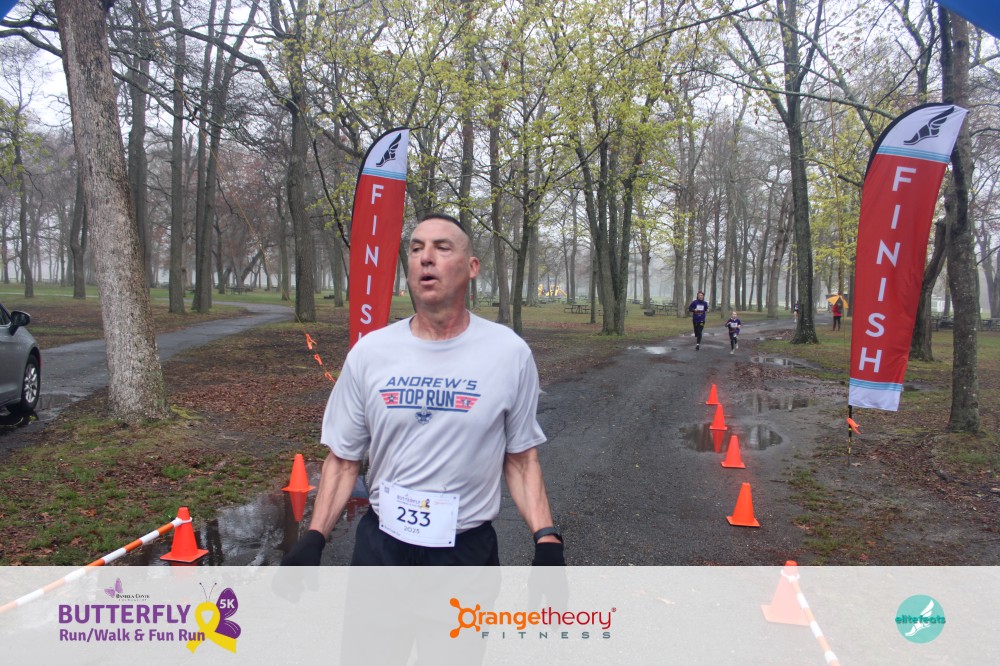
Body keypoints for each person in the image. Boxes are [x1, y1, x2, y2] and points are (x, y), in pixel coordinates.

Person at [281, 212, 564, 567]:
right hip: (380, 550)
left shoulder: (509, 353)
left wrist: (545, 537)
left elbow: (521, 460)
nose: (425, 257)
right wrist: (315, 536)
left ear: (472, 267)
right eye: (416, 249)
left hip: (465, 554)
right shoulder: (370, 352)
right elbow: (343, 459)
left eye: (442, 248)